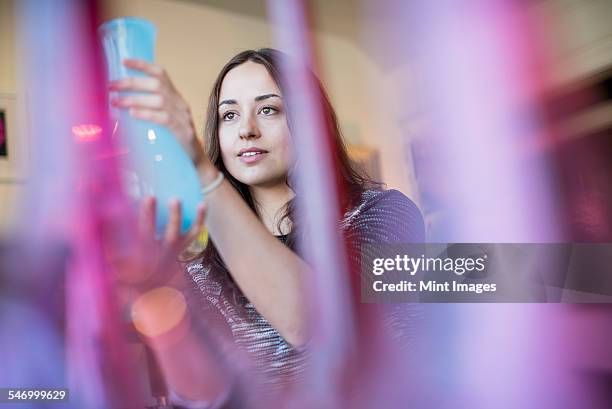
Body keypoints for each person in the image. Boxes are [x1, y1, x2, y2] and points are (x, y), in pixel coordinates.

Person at [108, 48, 425, 407]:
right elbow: (203, 393)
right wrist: (158, 294)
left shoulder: (384, 213)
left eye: (269, 109)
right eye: (229, 115)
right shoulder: (202, 267)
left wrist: (198, 167)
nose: (246, 130)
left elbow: (313, 320)